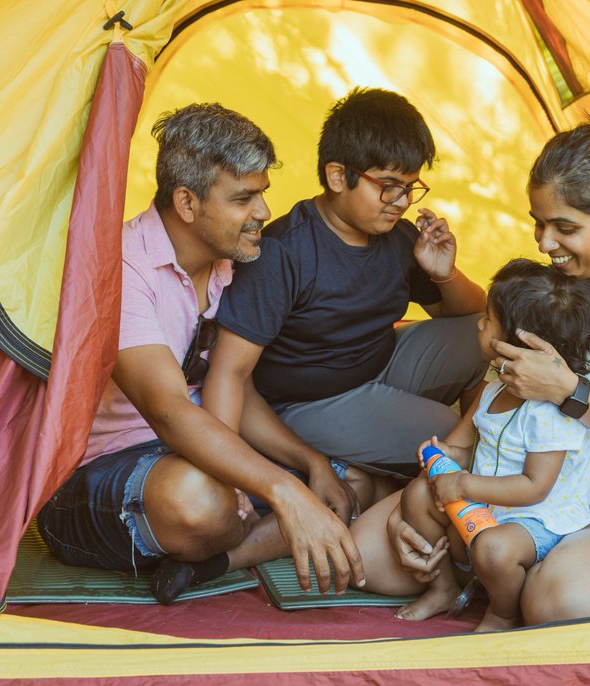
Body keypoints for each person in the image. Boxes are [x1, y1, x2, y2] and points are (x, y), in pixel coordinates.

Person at [351, 104, 590, 623]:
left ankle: (516, 577)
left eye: (564, 228)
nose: (545, 243)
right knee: (363, 561)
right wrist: (427, 500)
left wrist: (570, 392)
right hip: (510, 499)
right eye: (539, 223)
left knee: (562, 602)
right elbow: (490, 410)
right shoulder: (550, 291)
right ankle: (493, 569)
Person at [36, 103, 367, 605]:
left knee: (351, 486)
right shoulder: (121, 268)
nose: (263, 213)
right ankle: (237, 532)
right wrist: (282, 490)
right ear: (187, 204)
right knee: (201, 501)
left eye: (262, 195)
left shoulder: (225, 264)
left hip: (193, 453)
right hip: (102, 478)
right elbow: (170, 411)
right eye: (243, 199)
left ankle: (214, 560)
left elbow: (236, 386)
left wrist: (310, 464)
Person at [205, 87, 489, 477]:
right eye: (388, 185)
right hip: (309, 405)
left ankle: (445, 457)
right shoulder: (283, 252)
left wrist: (445, 275)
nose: (402, 201)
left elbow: (478, 313)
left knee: (487, 335)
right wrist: (226, 473)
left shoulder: (400, 238)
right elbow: (229, 371)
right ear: (338, 176)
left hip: (381, 364)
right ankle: (459, 477)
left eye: (410, 187)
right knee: (453, 438)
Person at [394, 258, 590, 631]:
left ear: (518, 343)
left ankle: (502, 613)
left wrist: (461, 484)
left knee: (494, 549)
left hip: (537, 517)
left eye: (488, 320)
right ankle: (443, 587)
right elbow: (463, 446)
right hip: (491, 502)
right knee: (415, 495)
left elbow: (534, 487)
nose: (479, 323)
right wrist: (444, 456)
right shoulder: (495, 387)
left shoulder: (550, 413)